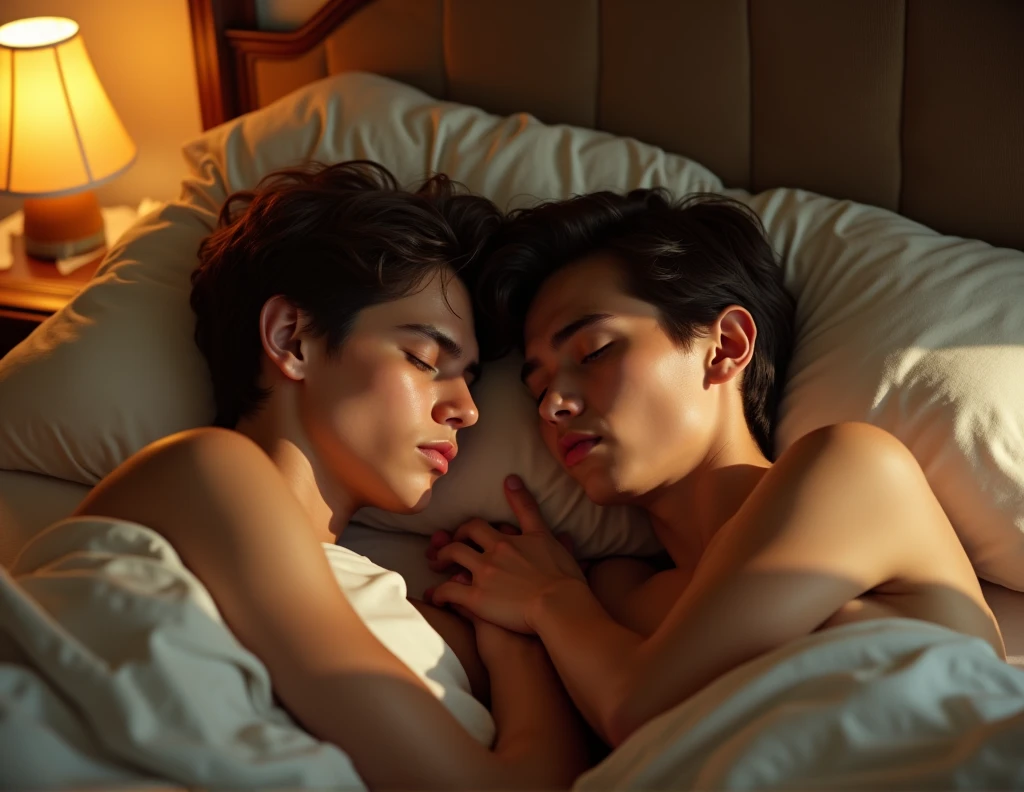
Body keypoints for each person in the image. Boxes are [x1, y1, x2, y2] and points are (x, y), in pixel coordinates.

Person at [425, 188, 1006, 748]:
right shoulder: (614, 592)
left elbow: (640, 706)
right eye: (539, 388)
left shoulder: (853, 468)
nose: (554, 405)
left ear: (725, 345)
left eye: (594, 352)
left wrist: (550, 603)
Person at [73, 161, 588, 789]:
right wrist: (521, 648)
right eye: (425, 358)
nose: (468, 409)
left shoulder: (433, 622)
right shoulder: (207, 472)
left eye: (472, 379)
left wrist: (523, 629)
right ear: (292, 339)